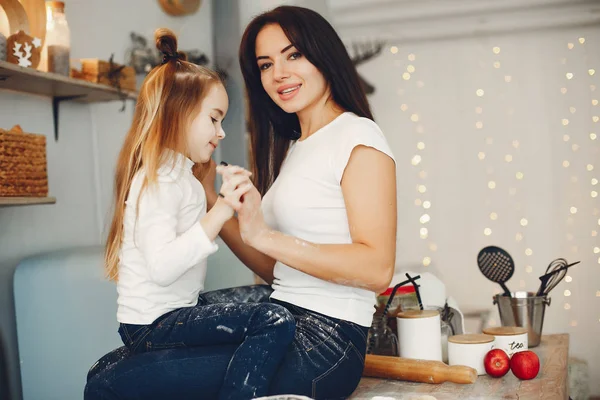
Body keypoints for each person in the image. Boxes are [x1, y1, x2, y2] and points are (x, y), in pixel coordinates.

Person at [86, 6, 397, 399]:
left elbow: (377, 268)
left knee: (107, 385)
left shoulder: (358, 137)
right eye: (266, 64)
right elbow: (281, 270)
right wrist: (216, 200)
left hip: (327, 341)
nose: (278, 73)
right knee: (111, 364)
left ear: (324, 55)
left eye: (293, 55)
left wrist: (263, 235)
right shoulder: (297, 147)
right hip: (287, 308)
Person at [86, 28, 296, 400]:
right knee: (274, 320)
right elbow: (163, 268)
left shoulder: (179, 175)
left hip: (177, 311)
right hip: (153, 326)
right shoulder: (159, 181)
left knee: (269, 296)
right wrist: (223, 207)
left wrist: (223, 202)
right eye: (214, 119)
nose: (221, 133)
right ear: (177, 114)